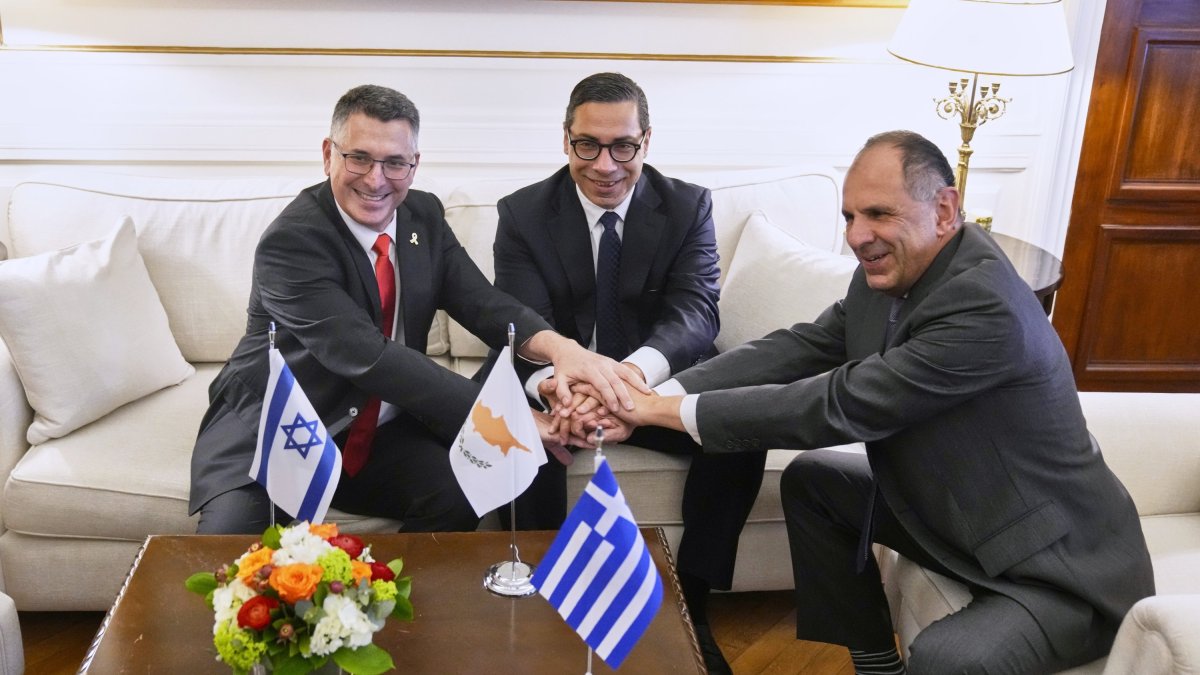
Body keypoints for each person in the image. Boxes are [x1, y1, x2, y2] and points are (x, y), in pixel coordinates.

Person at [580, 130, 1155, 674]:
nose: (857, 235)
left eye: (879, 214)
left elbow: (841, 404)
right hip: (952, 515)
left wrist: (658, 415)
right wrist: (656, 391)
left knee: (951, 657)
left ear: (946, 210)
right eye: (851, 217)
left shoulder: (984, 307)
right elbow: (802, 346)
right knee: (815, 484)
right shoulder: (891, 272)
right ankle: (875, 663)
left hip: (1054, 567)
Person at [190, 84, 644, 536]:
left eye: (394, 162)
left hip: (375, 432)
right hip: (280, 433)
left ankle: (379, 598)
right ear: (329, 154)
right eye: (359, 158)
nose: (375, 179)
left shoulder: (421, 215)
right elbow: (370, 356)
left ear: (415, 164)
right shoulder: (293, 243)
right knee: (229, 565)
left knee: (462, 489)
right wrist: (507, 419)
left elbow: (483, 304)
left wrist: (564, 351)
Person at [488, 71, 765, 673]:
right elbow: (518, 325)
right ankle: (545, 614)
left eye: (624, 146)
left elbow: (696, 314)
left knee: (739, 431)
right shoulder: (524, 214)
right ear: (565, 141)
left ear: (646, 142)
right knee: (521, 436)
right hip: (561, 395)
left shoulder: (687, 205)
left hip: (653, 389)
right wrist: (562, 391)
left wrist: (627, 386)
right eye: (588, 144)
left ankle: (692, 607)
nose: (606, 165)